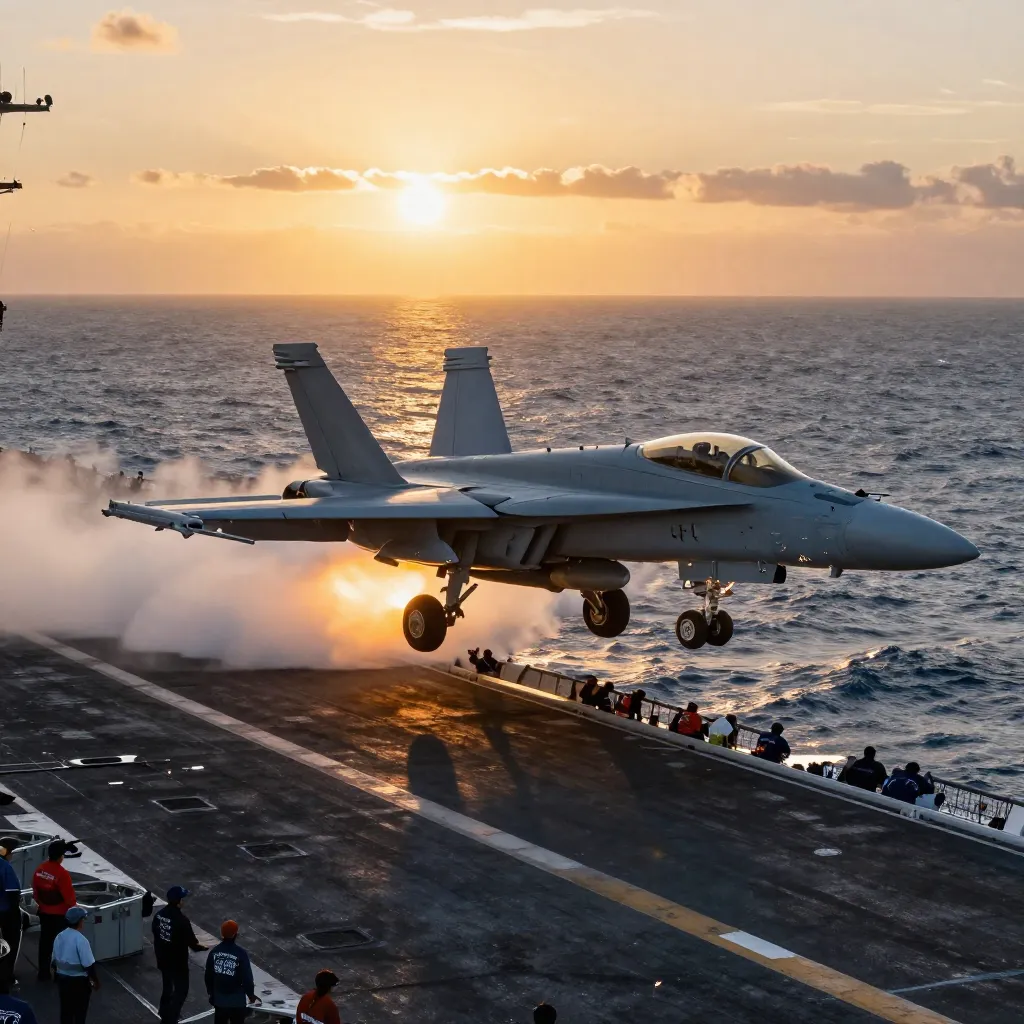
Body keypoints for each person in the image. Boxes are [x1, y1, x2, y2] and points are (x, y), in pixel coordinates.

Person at [153, 885, 207, 1024]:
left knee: (167, 986)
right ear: (178, 902)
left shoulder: (159, 915)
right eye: (183, 898)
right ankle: (171, 1019)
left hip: (162, 959)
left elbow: (155, 933)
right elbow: (192, 942)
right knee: (181, 991)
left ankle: (164, 1011)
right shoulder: (182, 920)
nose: (184, 901)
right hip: (177, 963)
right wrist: (202, 947)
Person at [32, 840, 77, 982]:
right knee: (62, 945)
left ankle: (43, 973)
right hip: (60, 915)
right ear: (61, 856)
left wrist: (42, 905)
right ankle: (60, 973)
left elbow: (35, 892)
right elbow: (69, 899)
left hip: (45, 913)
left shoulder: (40, 869)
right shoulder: (62, 874)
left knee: (45, 943)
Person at [204, 920, 260, 1024]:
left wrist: (212, 994)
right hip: (237, 1001)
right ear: (235, 934)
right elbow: (247, 978)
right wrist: (251, 995)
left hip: (220, 1001)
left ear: (222, 934)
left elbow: (208, 977)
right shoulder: (241, 953)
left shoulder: (214, 952)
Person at [52, 906, 98, 1024]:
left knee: (65, 1012)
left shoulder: (59, 936)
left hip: (63, 981)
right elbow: (89, 965)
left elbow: (54, 961)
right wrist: (96, 981)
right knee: (79, 1013)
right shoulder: (81, 940)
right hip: (79, 983)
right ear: (79, 921)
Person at [0, 838, 22, 994]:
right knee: (11, 943)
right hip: (6, 912)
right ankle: (7, 976)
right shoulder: (5, 867)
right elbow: (13, 892)